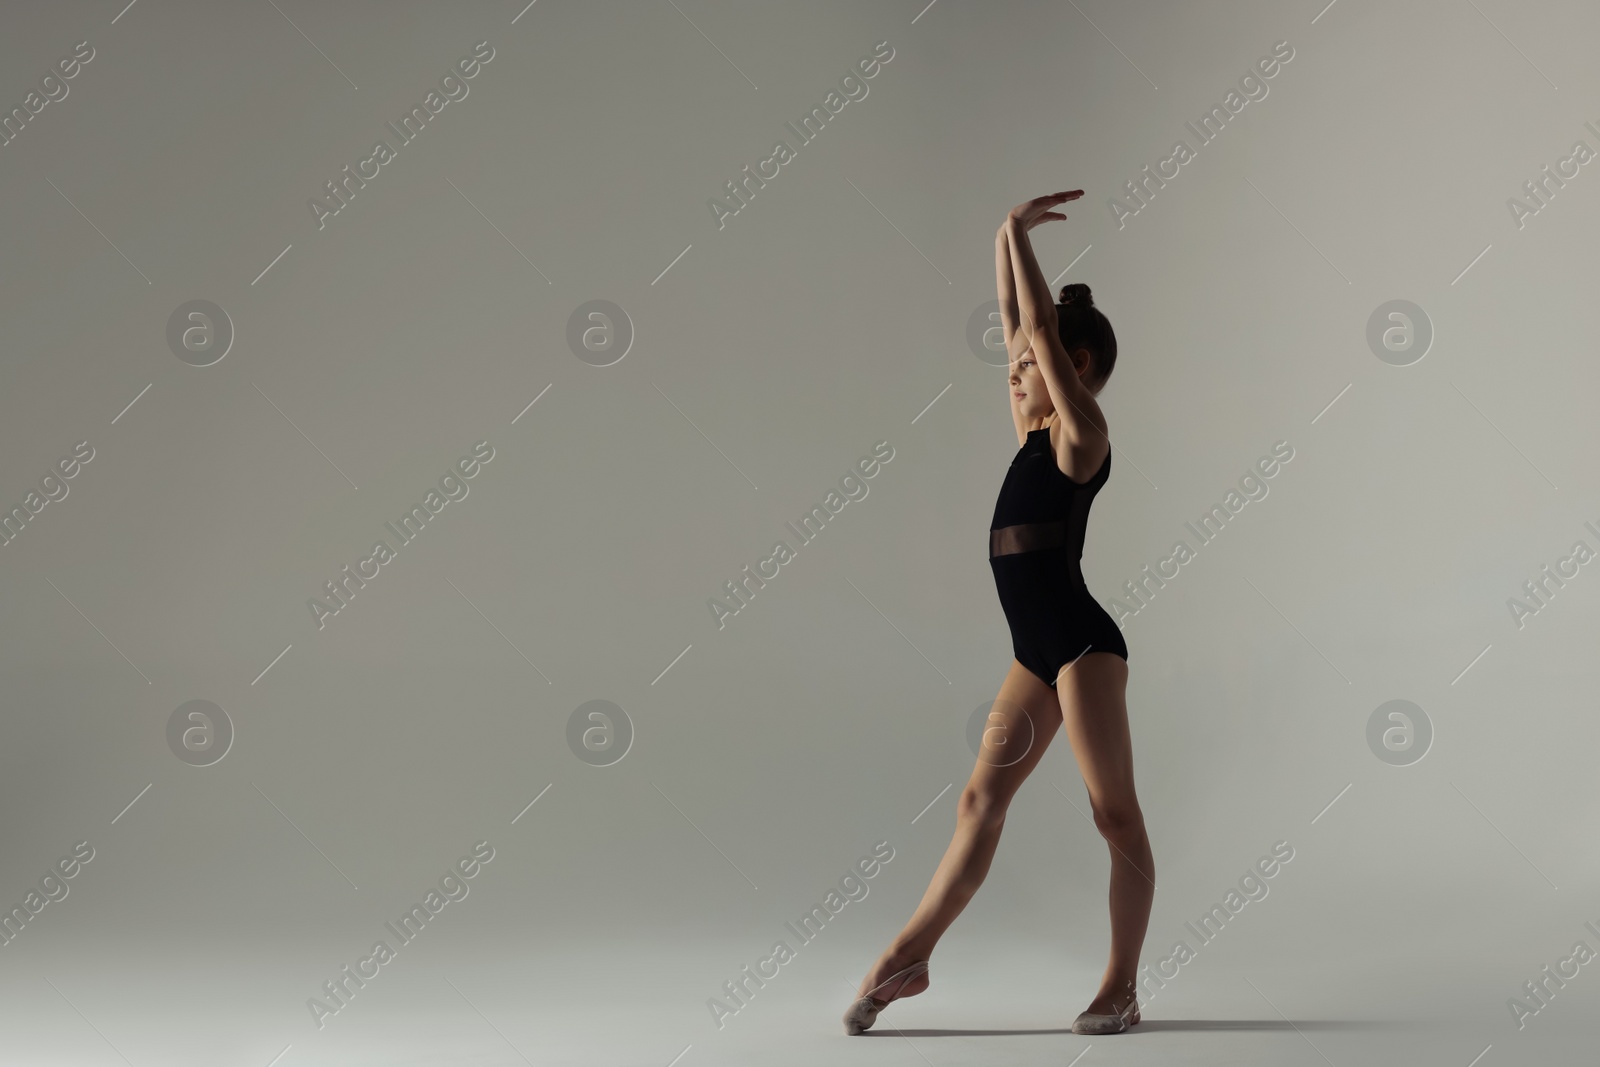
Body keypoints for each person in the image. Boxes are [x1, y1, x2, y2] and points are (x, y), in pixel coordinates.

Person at [843, 191, 1155, 1038]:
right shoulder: (1029, 429)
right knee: (979, 802)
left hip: (1083, 649)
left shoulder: (1080, 438)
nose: (1016, 370)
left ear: (1078, 366)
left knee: (1112, 814)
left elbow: (1041, 335)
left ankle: (1121, 984)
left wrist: (1019, 238)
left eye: (1033, 364)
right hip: (1034, 652)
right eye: (1016, 365)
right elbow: (1025, 327)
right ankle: (908, 958)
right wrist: (999, 240)